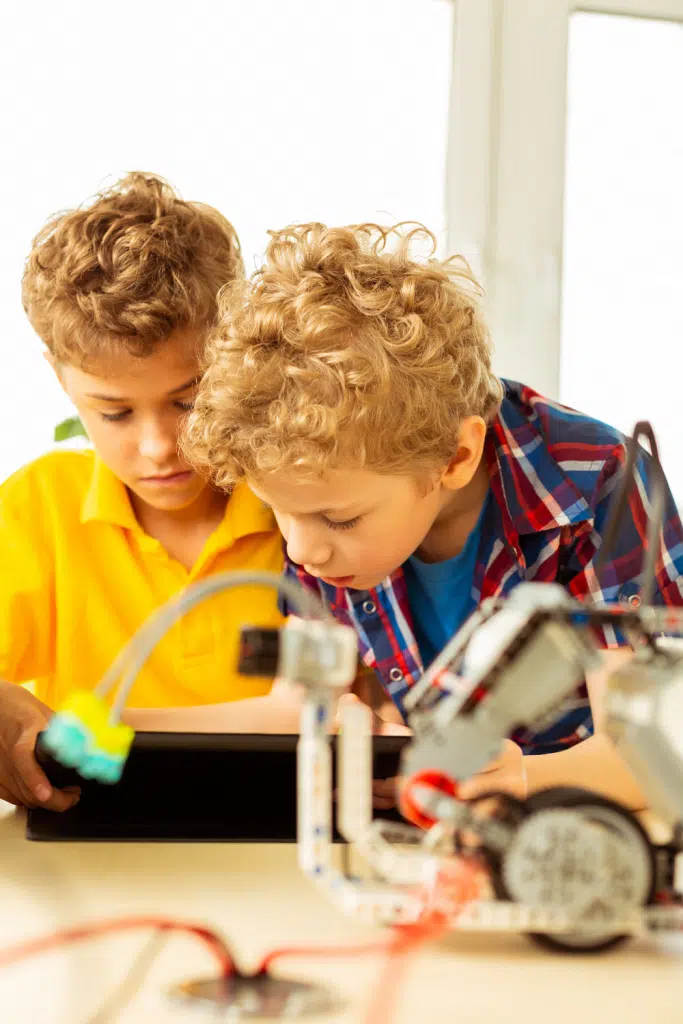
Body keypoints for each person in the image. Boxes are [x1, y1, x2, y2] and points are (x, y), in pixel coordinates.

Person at [181, 220, 683, 811]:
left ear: (457, 456)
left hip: (578, 844)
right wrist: (80, 726)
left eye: (338, 521)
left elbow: (660, 747)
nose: (301, 553)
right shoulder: (327, 490)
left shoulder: (598, 483)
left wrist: (518, 781)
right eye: (279, 514)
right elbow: (295, 706)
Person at [0, 173, 294, 813]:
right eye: (114, 413)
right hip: (89, 861)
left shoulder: (306, 508)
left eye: (188, 401)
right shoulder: (38, 510)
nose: (159, 446)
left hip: (277, 855)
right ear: (59, 376)